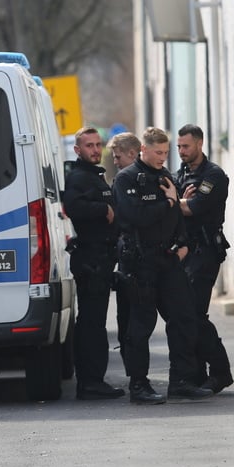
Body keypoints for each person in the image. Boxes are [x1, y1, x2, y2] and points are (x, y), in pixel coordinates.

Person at [112, 127, 213, 404]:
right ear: (143, 150)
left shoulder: (165, 176)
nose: (163, 157)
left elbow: (177, 217)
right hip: (140, 263)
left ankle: (181, 380)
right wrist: (169, 201)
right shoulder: (126, 179)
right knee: (140, 327)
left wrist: (183, 244)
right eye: (158, 152)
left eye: (166, 152)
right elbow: (135, 216)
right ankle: (139, 385)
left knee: (183, 318)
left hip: (168, 260)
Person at [63, 127, 124, 400]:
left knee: (94, 323)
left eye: (98, 145)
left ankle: (93, 380)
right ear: (77, 150)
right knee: (91, 325)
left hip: (99, 259)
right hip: (91, 260)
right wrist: (104, 209)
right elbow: (73, 207)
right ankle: (90, 382)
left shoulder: (92, 176)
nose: (95, 150)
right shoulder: (78, 177)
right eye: (89, 146)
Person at [175, 124, 234, 394]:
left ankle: (220, 372)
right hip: (186, 251)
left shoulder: (213, 175)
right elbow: (177, 208)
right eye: (178, 147)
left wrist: (175, 203)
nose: (181, 151)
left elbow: (196, 207)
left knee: (195, 314)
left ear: (199, 144)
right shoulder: (182, 173)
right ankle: (198, 373)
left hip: (206, 251)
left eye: (185, 146)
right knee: (187, 315)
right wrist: (178, 202)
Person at [106, 131, 141, 363]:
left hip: (137, 257)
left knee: (132, 319)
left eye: (118, 157)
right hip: (130, 256)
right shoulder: (122, 179)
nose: (115, 162)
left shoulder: (124, 179)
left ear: (132, 153)